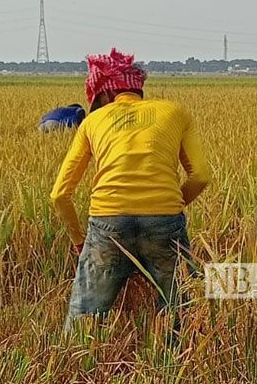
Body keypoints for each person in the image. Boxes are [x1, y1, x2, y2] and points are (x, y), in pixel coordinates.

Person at [50, 49, 211, 330]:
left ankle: (74, 361)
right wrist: (168, 205)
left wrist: (79, 241)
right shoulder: (175, 112)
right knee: (180, 308)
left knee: (85, 314)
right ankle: (176, 364)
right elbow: (201, 176)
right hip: (165, 220)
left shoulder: (91, 122)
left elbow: (60, 195)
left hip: (107, 223)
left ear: (103, 96)